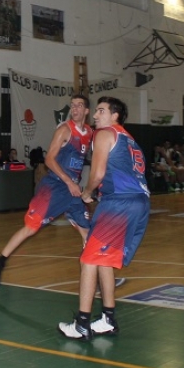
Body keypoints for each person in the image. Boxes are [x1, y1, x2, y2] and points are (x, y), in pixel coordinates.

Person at [59, 97, 149, 341]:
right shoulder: (129, 139)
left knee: (88, 257)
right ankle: (108, 318)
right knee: (104, 260)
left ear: (115, 115)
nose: (96, 116)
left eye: (101, 111)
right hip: (139, 202)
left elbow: (97, 174)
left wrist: (87, 193)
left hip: (119, 203)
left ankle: (81, 323)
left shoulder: (104, 134)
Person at [0, 95, 93, 288]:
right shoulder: (64, 130)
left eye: (79, 106)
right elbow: (49, 160)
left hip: (72, 191)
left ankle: (96, 278)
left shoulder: (89, 132)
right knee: (31, 228)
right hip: (54, 187)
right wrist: (69, 181)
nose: (75, 109)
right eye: (72, 106)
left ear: (86, 111)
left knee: (88, 232)